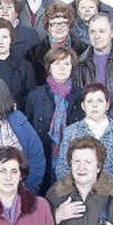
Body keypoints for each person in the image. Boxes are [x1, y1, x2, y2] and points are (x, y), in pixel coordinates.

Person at [56, 83, 113, 201]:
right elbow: (61, 169)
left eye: (99, 101)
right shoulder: (71, 132)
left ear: (107, 105)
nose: (94, 105)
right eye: (89, 101)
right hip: (81, 197)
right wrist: (84, 183)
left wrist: (104, 183)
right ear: (83, 106)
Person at [25, 48, 84, 192]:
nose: (62, 68)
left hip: (73, 162)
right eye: (57, 63)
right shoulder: (35, 96)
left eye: (66, 64)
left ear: (72, 67)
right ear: (49, 67)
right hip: (43, 159)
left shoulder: (82, 96)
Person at [27, 2, 88, 86]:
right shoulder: (33, 54)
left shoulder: (84, 50)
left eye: (63, 23)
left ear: (69, 25)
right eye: (54, 24)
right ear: (48, 27)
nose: (59, 27)